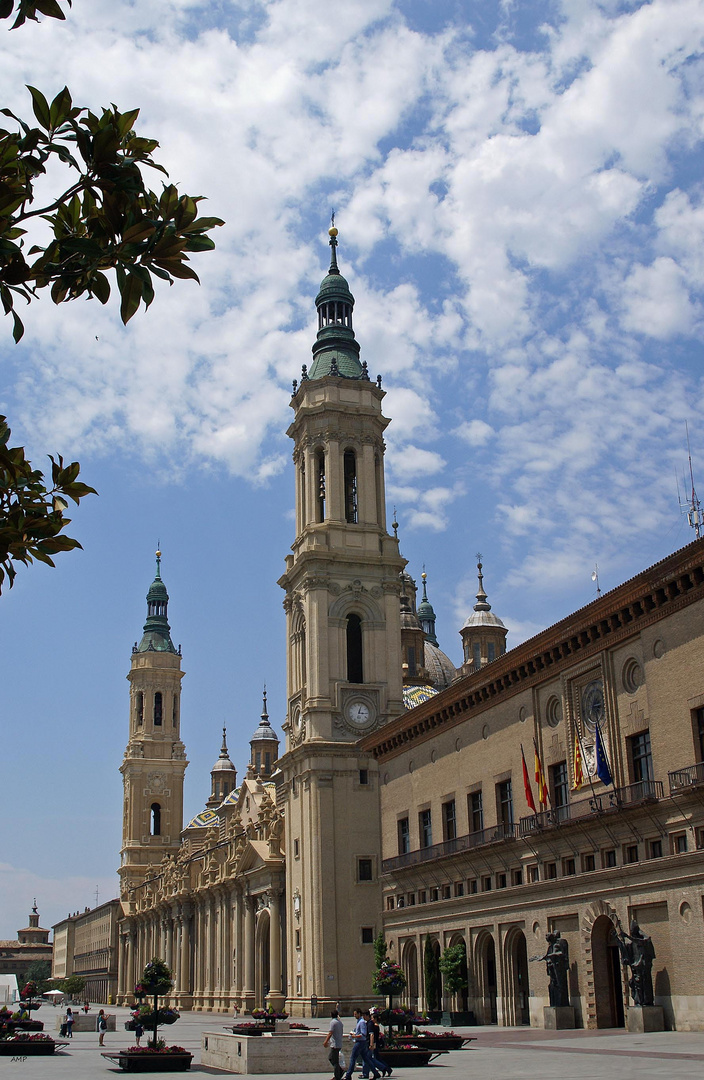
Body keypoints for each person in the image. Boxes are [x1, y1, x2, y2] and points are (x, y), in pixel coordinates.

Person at [344, 1009, 380, 1080]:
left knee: (353, 1058)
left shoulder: (362, 1022)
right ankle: (376, 1073)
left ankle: (348, 1075)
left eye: (355, 1014)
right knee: (366, 1059)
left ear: (359, 1014)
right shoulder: (359, 1022)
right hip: (361, 1042)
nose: (354, 1016)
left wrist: (355, 1036)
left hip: (360, 1042)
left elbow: (363, 1034)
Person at [363, 1009, 391, 1078]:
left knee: (370, 1059)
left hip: (372, 1043)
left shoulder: (371, 1024)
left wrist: (371, 1044)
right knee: (371, 1059)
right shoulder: (372, 1024)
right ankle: (381, 1070)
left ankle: (383, 1068)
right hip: (373, 1043)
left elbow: (372, 1035)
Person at [323, 1009, 344, 1080]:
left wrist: (326, 1041)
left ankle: (338, 1076)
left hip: (335, 1044)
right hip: (339, 1043)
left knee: (334, 1061)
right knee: (333, 1059)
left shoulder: (333, 1022)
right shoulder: (340, 1022)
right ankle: (339, 1072)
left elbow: (330, 1032)